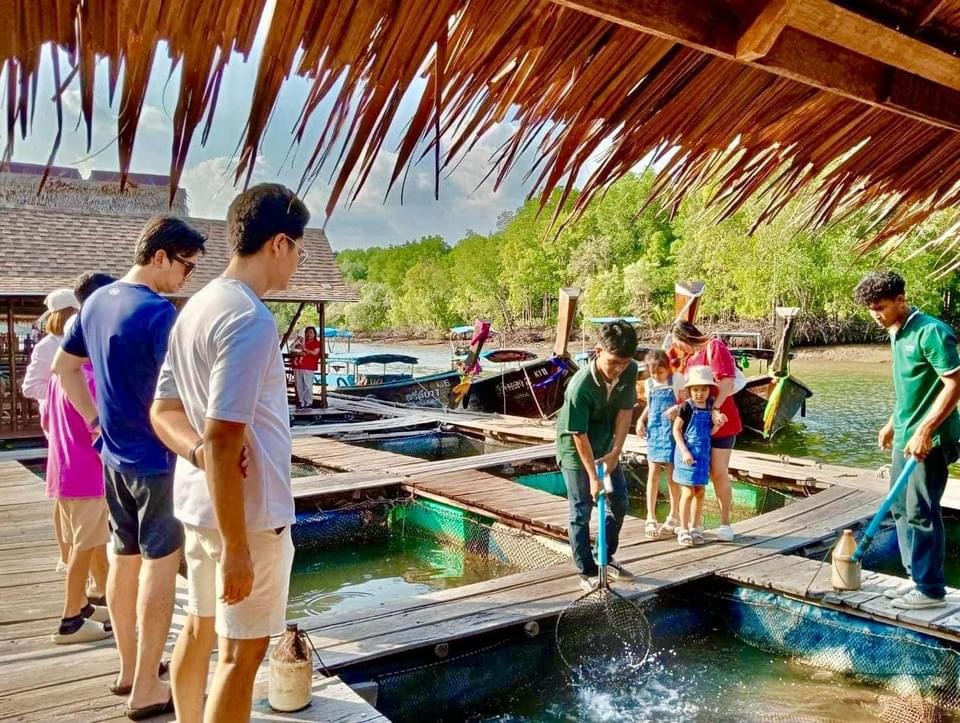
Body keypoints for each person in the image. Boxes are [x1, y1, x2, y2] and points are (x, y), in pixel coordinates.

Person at [151, 184, 309, 723]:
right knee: (241, 658)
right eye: (299, 248)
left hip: (199, 507)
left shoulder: (195, 307)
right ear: (279, 244)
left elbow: (165, 412)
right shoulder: (250, 319)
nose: (299, 261)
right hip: (245, 516)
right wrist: (239, 545)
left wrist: (195, 453)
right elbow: (223, 434)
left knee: (198, 629)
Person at [53, 216, 206, 720]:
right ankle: (146, 687)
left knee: (123, 559)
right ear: (160, 257)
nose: (186, 278)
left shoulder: (94, 302)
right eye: (185, 266)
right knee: (160, 569)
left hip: (113, 458)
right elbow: (188, 394)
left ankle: (126, 669)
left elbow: (65, 369)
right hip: (159, 460)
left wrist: (95, 420)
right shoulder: (161, 314)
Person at [854, 271, 960, 610]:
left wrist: (925, 430)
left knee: (921, 511)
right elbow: (915, 388)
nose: (876, 315)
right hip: (905, 434)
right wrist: (891, 423)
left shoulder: (931, 331)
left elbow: (954, 385)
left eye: (881, 307)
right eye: (871, 309)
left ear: (901, 299)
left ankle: (930, 590)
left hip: (930, 439)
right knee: (900, 508)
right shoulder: (896, 332)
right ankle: (916, 579)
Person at [44, 273, 117, 644]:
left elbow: (46, 420)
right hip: (87, 473)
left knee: (82, 543)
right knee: (84, 547)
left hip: (63, 470)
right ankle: (70, 619)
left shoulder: (60, 377)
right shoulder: (87, 377)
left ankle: (88, 604)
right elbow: (102, 427)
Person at [555, 320, 638, 592]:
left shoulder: (630, 370)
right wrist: (593, 477)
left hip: (606, 448)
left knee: (620, 502)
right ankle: (586, 570)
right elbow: (578, 435)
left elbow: (626, 412)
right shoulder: (580, 386)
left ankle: (605, 557)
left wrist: (616, 452)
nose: (618, 369)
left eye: (624, 363)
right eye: (613, 362)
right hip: (576, 451)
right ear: (598, 351)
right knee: (582, 510)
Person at [22, 288, 81, 571]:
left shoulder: (72, 341)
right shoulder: (48, 346)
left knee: (69, 494)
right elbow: (30, 386)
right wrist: (62, 392)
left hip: (76, 423)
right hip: (60, 424)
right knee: (63, 494)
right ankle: (64, 554)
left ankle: (71, 555)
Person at [669, 320, 742, 541]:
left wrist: (715, 409)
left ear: (685, 337)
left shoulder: (714, 347)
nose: (678, 348)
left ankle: (725, 524)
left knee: (718, 473)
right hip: (694, 430)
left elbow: (727, 382)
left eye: (678, 343)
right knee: (695, 478)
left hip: (721, 422)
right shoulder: (688, 358)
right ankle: (693, 524)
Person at [672, 366, 724, 546]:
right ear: (689, 390)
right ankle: (683, 528)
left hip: (703, 455)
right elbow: (676, 430)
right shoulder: (687, 406)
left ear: (709, 390)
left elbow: (709, 432)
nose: (699, 393)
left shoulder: (711, 406)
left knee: (700, 491)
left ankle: (696, 526)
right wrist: (685, 450)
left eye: (703, 389)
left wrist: (718, 425)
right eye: (695, 389)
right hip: (687, 454)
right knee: (687, 492)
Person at [636, 350, 681, 538]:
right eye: (653, 373)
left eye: (660, 372)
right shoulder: (648, 383)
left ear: (667, 367)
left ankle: (674, 515)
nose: (656, 376)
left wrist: (677, 407)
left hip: (672, 432)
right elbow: (650, 404)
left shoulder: (677, 380)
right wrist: (641, 419)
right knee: (653, 473)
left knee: (672, 475)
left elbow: (687, 401)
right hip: (655, 432)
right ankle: (651, 516)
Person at [290, 326, 321, 410]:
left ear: (314, 334)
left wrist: (304, 349)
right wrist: (299, 354)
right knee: (299, 385)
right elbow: (292, 351)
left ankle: (308, 402)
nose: (308, 334)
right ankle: (300, 401)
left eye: (311, 332)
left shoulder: (316, 343)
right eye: (307, 332)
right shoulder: (300, 341)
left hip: (309, 366)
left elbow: (315, 353)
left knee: (307, 385)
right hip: (298, 366)